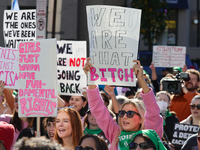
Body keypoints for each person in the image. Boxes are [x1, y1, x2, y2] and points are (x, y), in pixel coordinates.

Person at [83, 58, 163, 150]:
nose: (124, 117)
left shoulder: (150, 134)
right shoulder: (115, 134)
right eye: (122, 113)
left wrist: (141, 80)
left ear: (141, 119)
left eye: (130, 114)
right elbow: (98, 111)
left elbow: (153, 113)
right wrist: (91, 80)